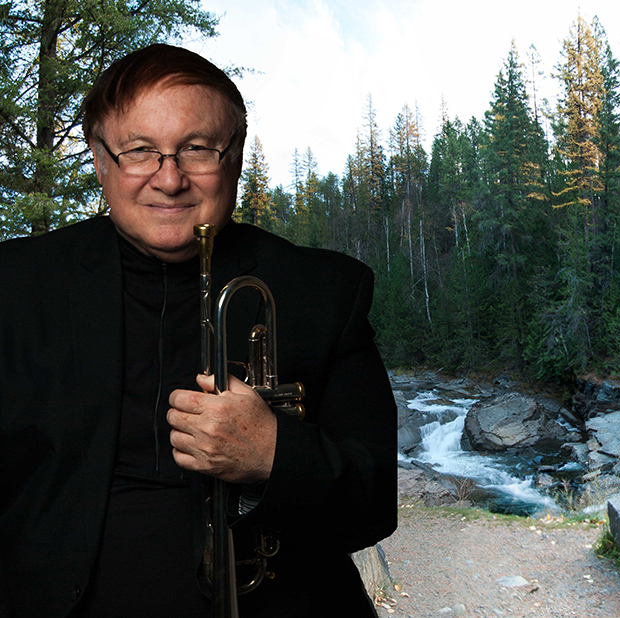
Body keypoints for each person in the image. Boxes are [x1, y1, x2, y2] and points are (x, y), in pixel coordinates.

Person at [0, 44, 398, 617]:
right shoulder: (14, 285)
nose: (169, 179)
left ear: (233, 157)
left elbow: (376, 501)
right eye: (140, 151)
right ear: (99, 158)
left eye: (197, 149)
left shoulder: (325, 290)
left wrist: (273, 454)